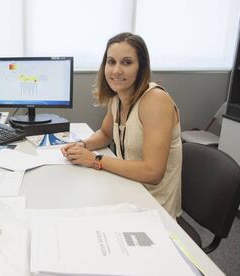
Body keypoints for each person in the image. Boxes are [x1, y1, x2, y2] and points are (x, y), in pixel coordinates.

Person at [61, 32, 182, 219]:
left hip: (154, 208)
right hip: (128, 189)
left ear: (141, 67)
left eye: (126, 62)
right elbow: (105, 133)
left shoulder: (155, 101)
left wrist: (95, 160)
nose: (116, 70)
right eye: (111, 62)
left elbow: (153, 172)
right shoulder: (118, 97)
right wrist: (82, 145)